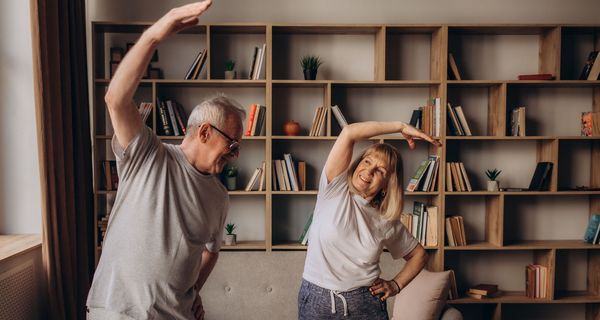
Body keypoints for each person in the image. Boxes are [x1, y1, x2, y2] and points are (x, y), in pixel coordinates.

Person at [86, 1, 246, 319]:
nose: (235, 154)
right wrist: (155, 35)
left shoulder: (219, 196)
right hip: (118, 313)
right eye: (232, 144)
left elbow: (210, 252)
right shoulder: (149, 154)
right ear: (204, 132)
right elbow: (115, 99)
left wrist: (194, 292)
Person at [298, 121, 441, 319]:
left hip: (365, 304)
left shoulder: (386, 220)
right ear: (358, 163)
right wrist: (400, 127)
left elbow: (420, 255)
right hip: (317, 300)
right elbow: (349, 132)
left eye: (381, 171)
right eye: (367, 161)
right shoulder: (333, 189)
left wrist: (395, 285)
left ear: (386, 185)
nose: (369, 171)